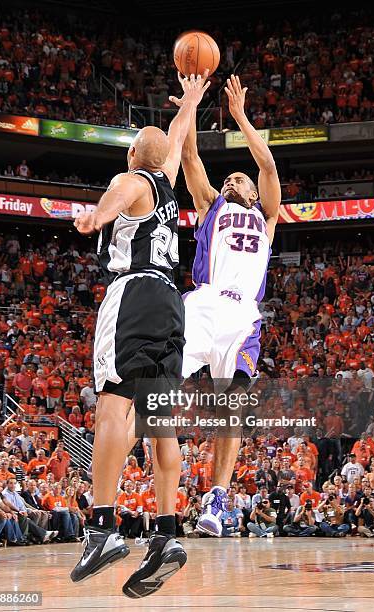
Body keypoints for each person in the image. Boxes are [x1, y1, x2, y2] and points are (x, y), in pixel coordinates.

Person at [70, 74, 210, 598]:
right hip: (173, 306)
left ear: (132, 155)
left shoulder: (132, 180)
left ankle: (102, 527)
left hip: (133, 296)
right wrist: (192, 101)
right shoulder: (167, 186)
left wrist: (94, 216)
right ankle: (166, 534)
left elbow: (119, 194)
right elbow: (173, 139)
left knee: (113, 408)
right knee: (159, 423)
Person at [176, 74, 281, 537]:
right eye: (229, 177)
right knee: (154, 388)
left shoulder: (268, 216)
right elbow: (189, 155)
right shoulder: (210, 204)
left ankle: (216, 501)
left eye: (239, 176)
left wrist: (240, 116)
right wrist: (193, 105)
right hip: (203, 304)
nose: (232, 178)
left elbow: (270, 167)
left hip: (243, 319)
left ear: (254, 193)